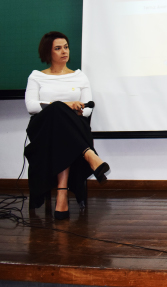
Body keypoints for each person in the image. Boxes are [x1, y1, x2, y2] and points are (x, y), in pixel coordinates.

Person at [24, 31, 110, 220]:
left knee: (62, 127)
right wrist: (65, 105)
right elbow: (31, 106)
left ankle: (62, 193)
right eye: (58, 48)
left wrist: (74, 109)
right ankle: (89, 154)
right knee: (56, 110)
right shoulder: (37, 76)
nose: (64, 51)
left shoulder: (79, 77)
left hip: (69, 128)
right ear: (48, 52)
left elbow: (87, 109)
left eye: (66, 47)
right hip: (43, 129)